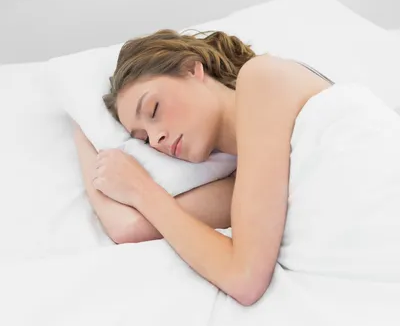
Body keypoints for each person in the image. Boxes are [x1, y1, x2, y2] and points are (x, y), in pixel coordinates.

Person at [75, 29, 334, 305]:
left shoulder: (261, 78)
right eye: (143, 138)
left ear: (191, 69)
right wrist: (84, 131)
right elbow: (129, 227)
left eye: (153, 109)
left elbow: (245, 279)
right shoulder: (243, 181)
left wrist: (143, 189)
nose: (156, 139)